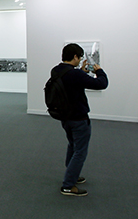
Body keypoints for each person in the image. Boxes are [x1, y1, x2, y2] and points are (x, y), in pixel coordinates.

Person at [51, 43, 108, 196]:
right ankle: (68, 185)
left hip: (65, 117)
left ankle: (72, 174)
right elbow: (102, 84)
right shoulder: (75, 74)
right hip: (78, 118)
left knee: (73, 145)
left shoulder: (57, 70)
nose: (80, 60)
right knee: (80, 151)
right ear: (75, 57)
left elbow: (71, 86)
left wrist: (81, 72)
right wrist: (99, 70)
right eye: (80, 57)